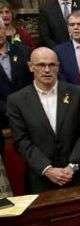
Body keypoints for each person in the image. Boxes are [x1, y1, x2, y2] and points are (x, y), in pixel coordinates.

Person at [7, 47, 80, 193]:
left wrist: (72, 166)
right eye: (41, 65)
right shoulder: (17, 100)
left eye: (52, 65)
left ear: (58, 66)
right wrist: (47, 169)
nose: (47, 70)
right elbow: (21, 140)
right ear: (31, 67)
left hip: (79, 176)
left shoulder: (77, 93)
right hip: (41, 180)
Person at [0, 18, 32, 159]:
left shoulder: (23, 52)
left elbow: (34, 82)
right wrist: (11, 111)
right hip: (2, 122)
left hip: (30, 116)